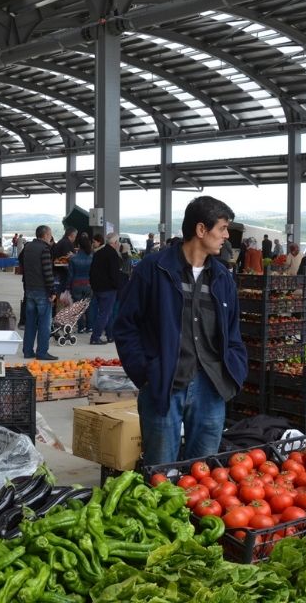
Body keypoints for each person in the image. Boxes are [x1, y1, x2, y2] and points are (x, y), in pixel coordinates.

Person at [113, 195, 245, 467]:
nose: (226, 236)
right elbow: (126, 325)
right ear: (201, 230)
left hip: (211, 387)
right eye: (222, 228)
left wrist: (234, 370)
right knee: (162, 473)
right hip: (164, 385)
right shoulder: (154, 269)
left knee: (203, 476)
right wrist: (145, 372)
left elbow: (232, 332)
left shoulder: (222, 278)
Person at [21, 225, 58, 361]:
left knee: (30, 322)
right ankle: (42, 352)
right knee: (44, 323)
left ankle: (28, 351)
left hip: (29, 289)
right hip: (42, 290)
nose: (51, 237)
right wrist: (52, 291)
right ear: (45, 235)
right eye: (50, 234)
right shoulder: (44, 249)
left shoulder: (28, 247)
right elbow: (48, 272)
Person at [90, 231, 123, 345]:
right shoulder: (113, 254)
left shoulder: (98, 253)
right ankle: (95, 337)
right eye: (118, 242)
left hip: (98, 288)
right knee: (104, 313)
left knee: (106, 313)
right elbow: (114, 274)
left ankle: (110, 335)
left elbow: (92, 271)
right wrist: (118, 287)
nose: (119, 244)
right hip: (108, 289)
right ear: (115, 242)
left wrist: (93, 286)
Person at [69, 234, 94, 333]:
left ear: (79, 246)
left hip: (76, 284)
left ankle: (81, 327)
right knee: (89, 306)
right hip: (88, 284)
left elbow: (70, 275)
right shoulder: (92, 257)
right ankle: (90, 326)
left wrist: (68, 286)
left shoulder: (73, 258)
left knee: (78, 307)